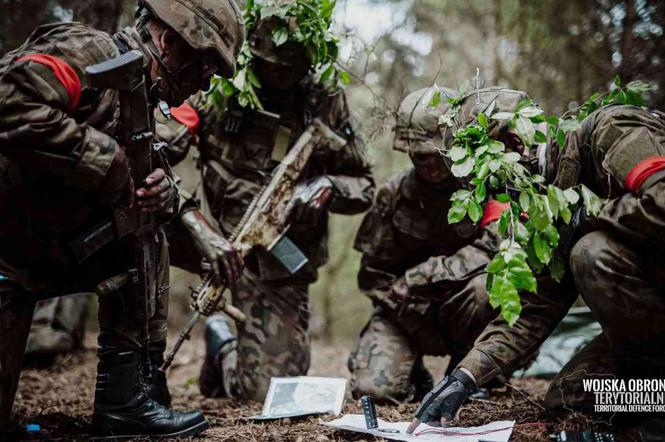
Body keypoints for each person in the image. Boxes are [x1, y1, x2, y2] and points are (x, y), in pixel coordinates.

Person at [0, 0, 243, 438]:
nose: (206, 83)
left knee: (144, 232)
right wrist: (108, 162)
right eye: (206, 66)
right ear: (169, 42)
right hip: (6, 262)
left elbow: (143, 180)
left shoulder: (141, 102)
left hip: (34, 254)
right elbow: (9, 102)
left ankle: (127, 400)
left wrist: (167, 194)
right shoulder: (91, 53)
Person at [408, 101, 665, 438]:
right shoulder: (550, 201)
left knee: (591, 253)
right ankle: (657, 398)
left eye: (495, 183)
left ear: (515, 145)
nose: (501, 198)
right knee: (570, 399)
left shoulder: (613, 127)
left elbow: (660, 200)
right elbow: (535, 307)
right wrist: (464, 377)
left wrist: (589, 216)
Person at [165, 15, 374, 402]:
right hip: (218, 246)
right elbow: (164, 144)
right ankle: (225, 338)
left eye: (293, 69)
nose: (282, 78)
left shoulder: (324, 99)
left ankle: (224, 347)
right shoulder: (219, 84)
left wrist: (328, 185)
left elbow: (364, 185)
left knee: (272, 395)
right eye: (273, 67)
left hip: (283, 264)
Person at [347, 86, 537, 403]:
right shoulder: (393, 195)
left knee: (486, 289)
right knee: (374, 391)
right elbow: (372, 275)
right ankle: (409, 371)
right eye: (420, 157)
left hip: (464, 312)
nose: (431, 166)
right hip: (409, 316)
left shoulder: (490, 184)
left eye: (439, 155)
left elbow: (498, 250)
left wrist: (421, 278)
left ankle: (471, 374)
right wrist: (405, 302)